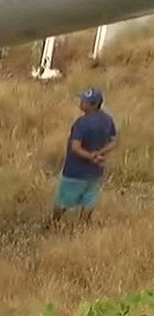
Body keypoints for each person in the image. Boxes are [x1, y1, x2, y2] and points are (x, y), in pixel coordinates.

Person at [52, 86, 119, 225]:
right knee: (89, 198)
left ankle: (53, 224)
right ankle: (84, 225)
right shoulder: (107, 119)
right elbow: (114, 141)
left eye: (84, 101)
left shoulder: (81, 123)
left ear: (93, 104)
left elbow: (76, 147)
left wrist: (91, 156)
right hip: (96, 170)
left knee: (63, 199)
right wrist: (100, 154)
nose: (81, 102)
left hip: (75, 171)